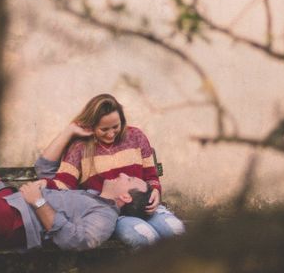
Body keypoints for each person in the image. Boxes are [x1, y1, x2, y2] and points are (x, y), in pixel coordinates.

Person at [36, 93, 184, 248]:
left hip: (145, 208)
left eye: (116, 126)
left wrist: (155, 190)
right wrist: (44, 184)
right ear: (92, 126)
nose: (111, 133)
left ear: (122, 121)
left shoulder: (136, 136)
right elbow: (64, 183)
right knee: (142, 235)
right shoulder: (81, 148)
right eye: (104, 129)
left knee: (174, 230)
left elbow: (150, 174)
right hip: (114, 214)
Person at [0, 167, 151, 273]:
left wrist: (38, 201)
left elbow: (76, 240)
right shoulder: (91, 194)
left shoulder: (105, 217)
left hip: (18, 218)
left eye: (130, 179)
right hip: (7, 197)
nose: (123, 174)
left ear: (126, 197)